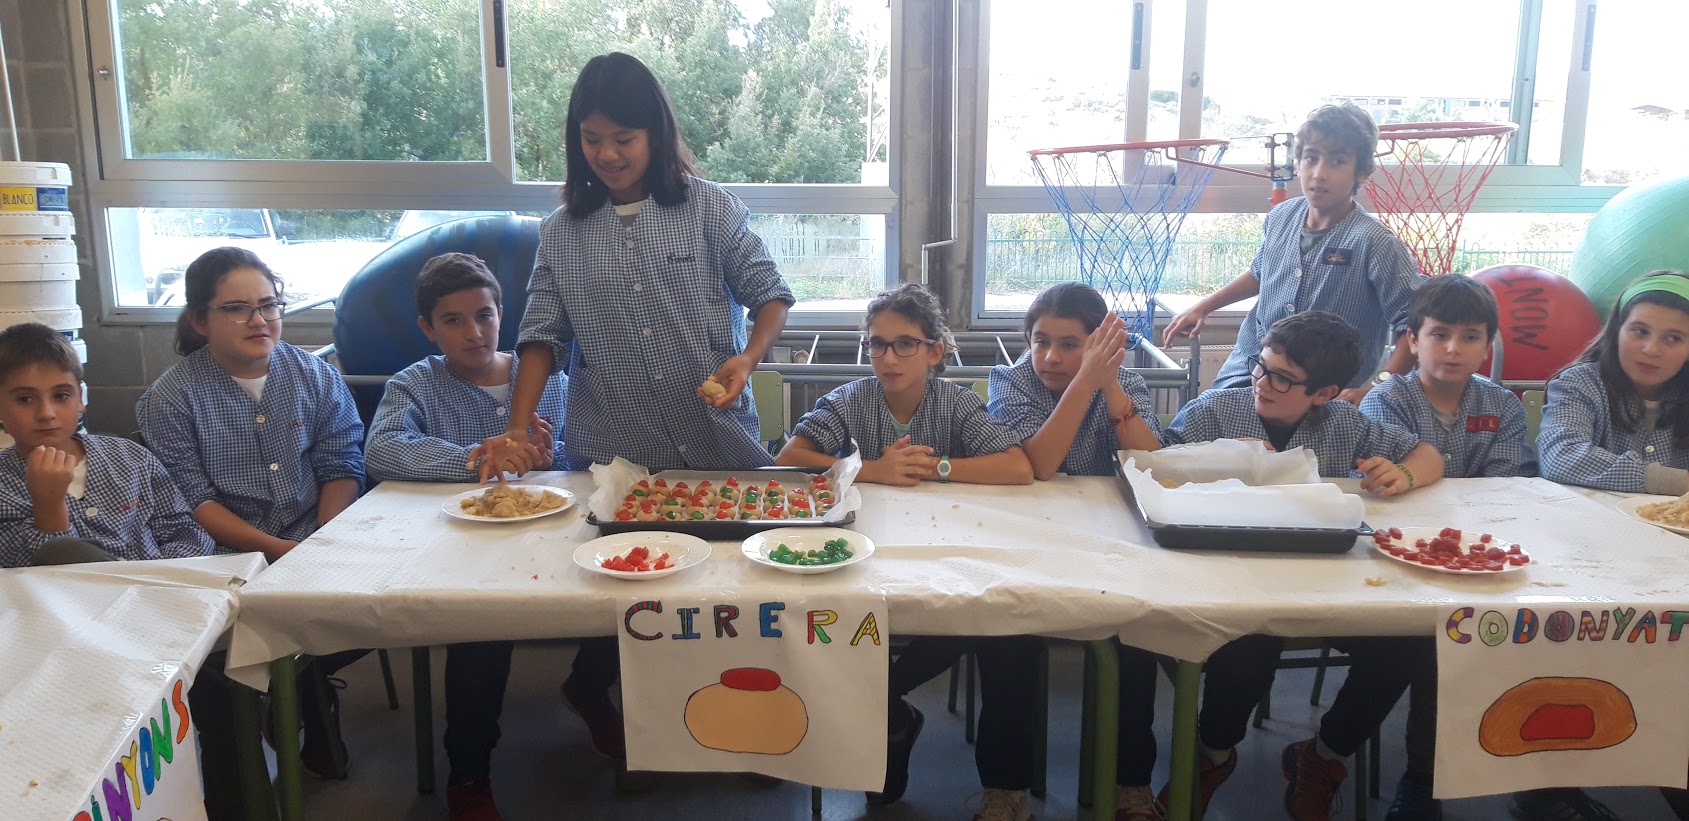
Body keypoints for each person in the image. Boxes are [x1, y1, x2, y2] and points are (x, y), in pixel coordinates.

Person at [467, 51, 795, 774]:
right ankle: (604, 693)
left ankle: (726, 721)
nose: (608, 155)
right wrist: (518, 425)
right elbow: (541, 336)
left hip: (715, 441)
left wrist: (748, 357)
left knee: (729, 590)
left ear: (656, 134)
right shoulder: (562, 232)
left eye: (624, 138)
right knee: (630, 584)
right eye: (592, 139)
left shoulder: (708, 208)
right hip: (619, 448)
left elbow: (769, 293)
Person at [1158, 310, 1443, 821]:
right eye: (1261, 366)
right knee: (1248, 648)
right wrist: (1217, 458)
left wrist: (1402, 472)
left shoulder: (1344, 423)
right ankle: (1212, 755)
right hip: (1236, 585)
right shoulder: (1215, 411)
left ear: (1325, 393)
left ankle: (1324, 756)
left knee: (1408, 641)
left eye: (1283, 379)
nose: (1262, 383)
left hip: (1326, 586)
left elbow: (1428, 455)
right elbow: (1155, 466)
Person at [778, 283, 1036, 821]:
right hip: (866, 556)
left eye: (904, 344)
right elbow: (788, 460)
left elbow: (1016, 467)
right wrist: (874, 470)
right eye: (877, 344)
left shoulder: (956, 403)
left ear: (934, 351)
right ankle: (885, 710)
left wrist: (937, 467)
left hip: (944, 555)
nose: (888, 358)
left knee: (986, 620)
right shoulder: (851, 400)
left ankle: (883, 701)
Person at [0, 323, 267, 821]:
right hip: (72, 651)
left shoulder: (130, 459)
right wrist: (48, 505)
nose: (46, 412)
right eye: (24, 398)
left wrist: (161, 585)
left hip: (169, 627)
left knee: (227, 699)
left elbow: (186, 532)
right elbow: (28, 580)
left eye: (60, 395)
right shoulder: (4, 486)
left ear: (82, 399)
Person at [137, 246, 367, 781]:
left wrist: (321, 539)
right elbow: (193, 501)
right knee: (233, 650)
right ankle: (278, 714)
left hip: (316, 532)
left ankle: (304, 691)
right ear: (200, 320)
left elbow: (341, 462)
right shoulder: (169, 399)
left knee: (379, 608)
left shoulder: (314, 375)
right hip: (225, 553)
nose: (259, 320)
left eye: (268, 305)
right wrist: (279, 552)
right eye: (237, 309)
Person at [364, 252, 567, 820]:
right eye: (452, 321)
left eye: (484, 315)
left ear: (503, 314)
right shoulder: (415, 384)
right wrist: (478, 457)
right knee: (482, 628)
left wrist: (552, 456)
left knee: (627, 601)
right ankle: (469, 770)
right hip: (464, 550)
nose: (473, 332)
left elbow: (584, 462)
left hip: (549, 540)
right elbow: (382, 450)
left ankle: (590, 691)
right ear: (428, 328)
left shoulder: (551, 380)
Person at [983, 282, 1166, 819]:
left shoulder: (1125, 382)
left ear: (1098, 345)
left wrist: (1109, 387)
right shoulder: (1011, 381)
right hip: (1025, 541)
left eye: (1069, 345)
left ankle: (1131, 782)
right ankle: (1005, 789)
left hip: (1110, 542)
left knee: (1136, 638)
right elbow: (1039, 465)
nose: (1050, 357)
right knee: (1007, 640)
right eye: (1040, 341)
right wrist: (1085, 383)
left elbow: (1154, 466)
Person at [1357, 274, 1535, 821]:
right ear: (1413, 339)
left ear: (1487, 345)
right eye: (1439, 334)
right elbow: (1389, 491)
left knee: (1536, 631)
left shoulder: (1502, 405)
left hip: (1484, 558)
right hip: (1406, 560)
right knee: (1440, 643)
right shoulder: (1387, 400)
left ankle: (1542, 778)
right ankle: (1423, 779)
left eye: (1470, 336)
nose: (1454, 348)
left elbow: (1508, 487)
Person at [1163, 103, 1424, 405]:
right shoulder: (1281, 216)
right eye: (1311, 158)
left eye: (1337, 162)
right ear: (1299, 162)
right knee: (1203, 418)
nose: (1319, 174)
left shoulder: (1375, 242)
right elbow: (1261, 273)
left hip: (1318, 393)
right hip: (1249, 368)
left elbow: (1412, 323)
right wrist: (1204, 306)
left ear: (1361, 173)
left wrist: (1379, 388)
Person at [1539, 270, 1689, 495]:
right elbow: (1560, 456)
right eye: (1640, 331)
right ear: (1617, 332)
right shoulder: (1579, 384)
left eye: (1673, 338)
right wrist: (1677, 482)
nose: (1651, 349)